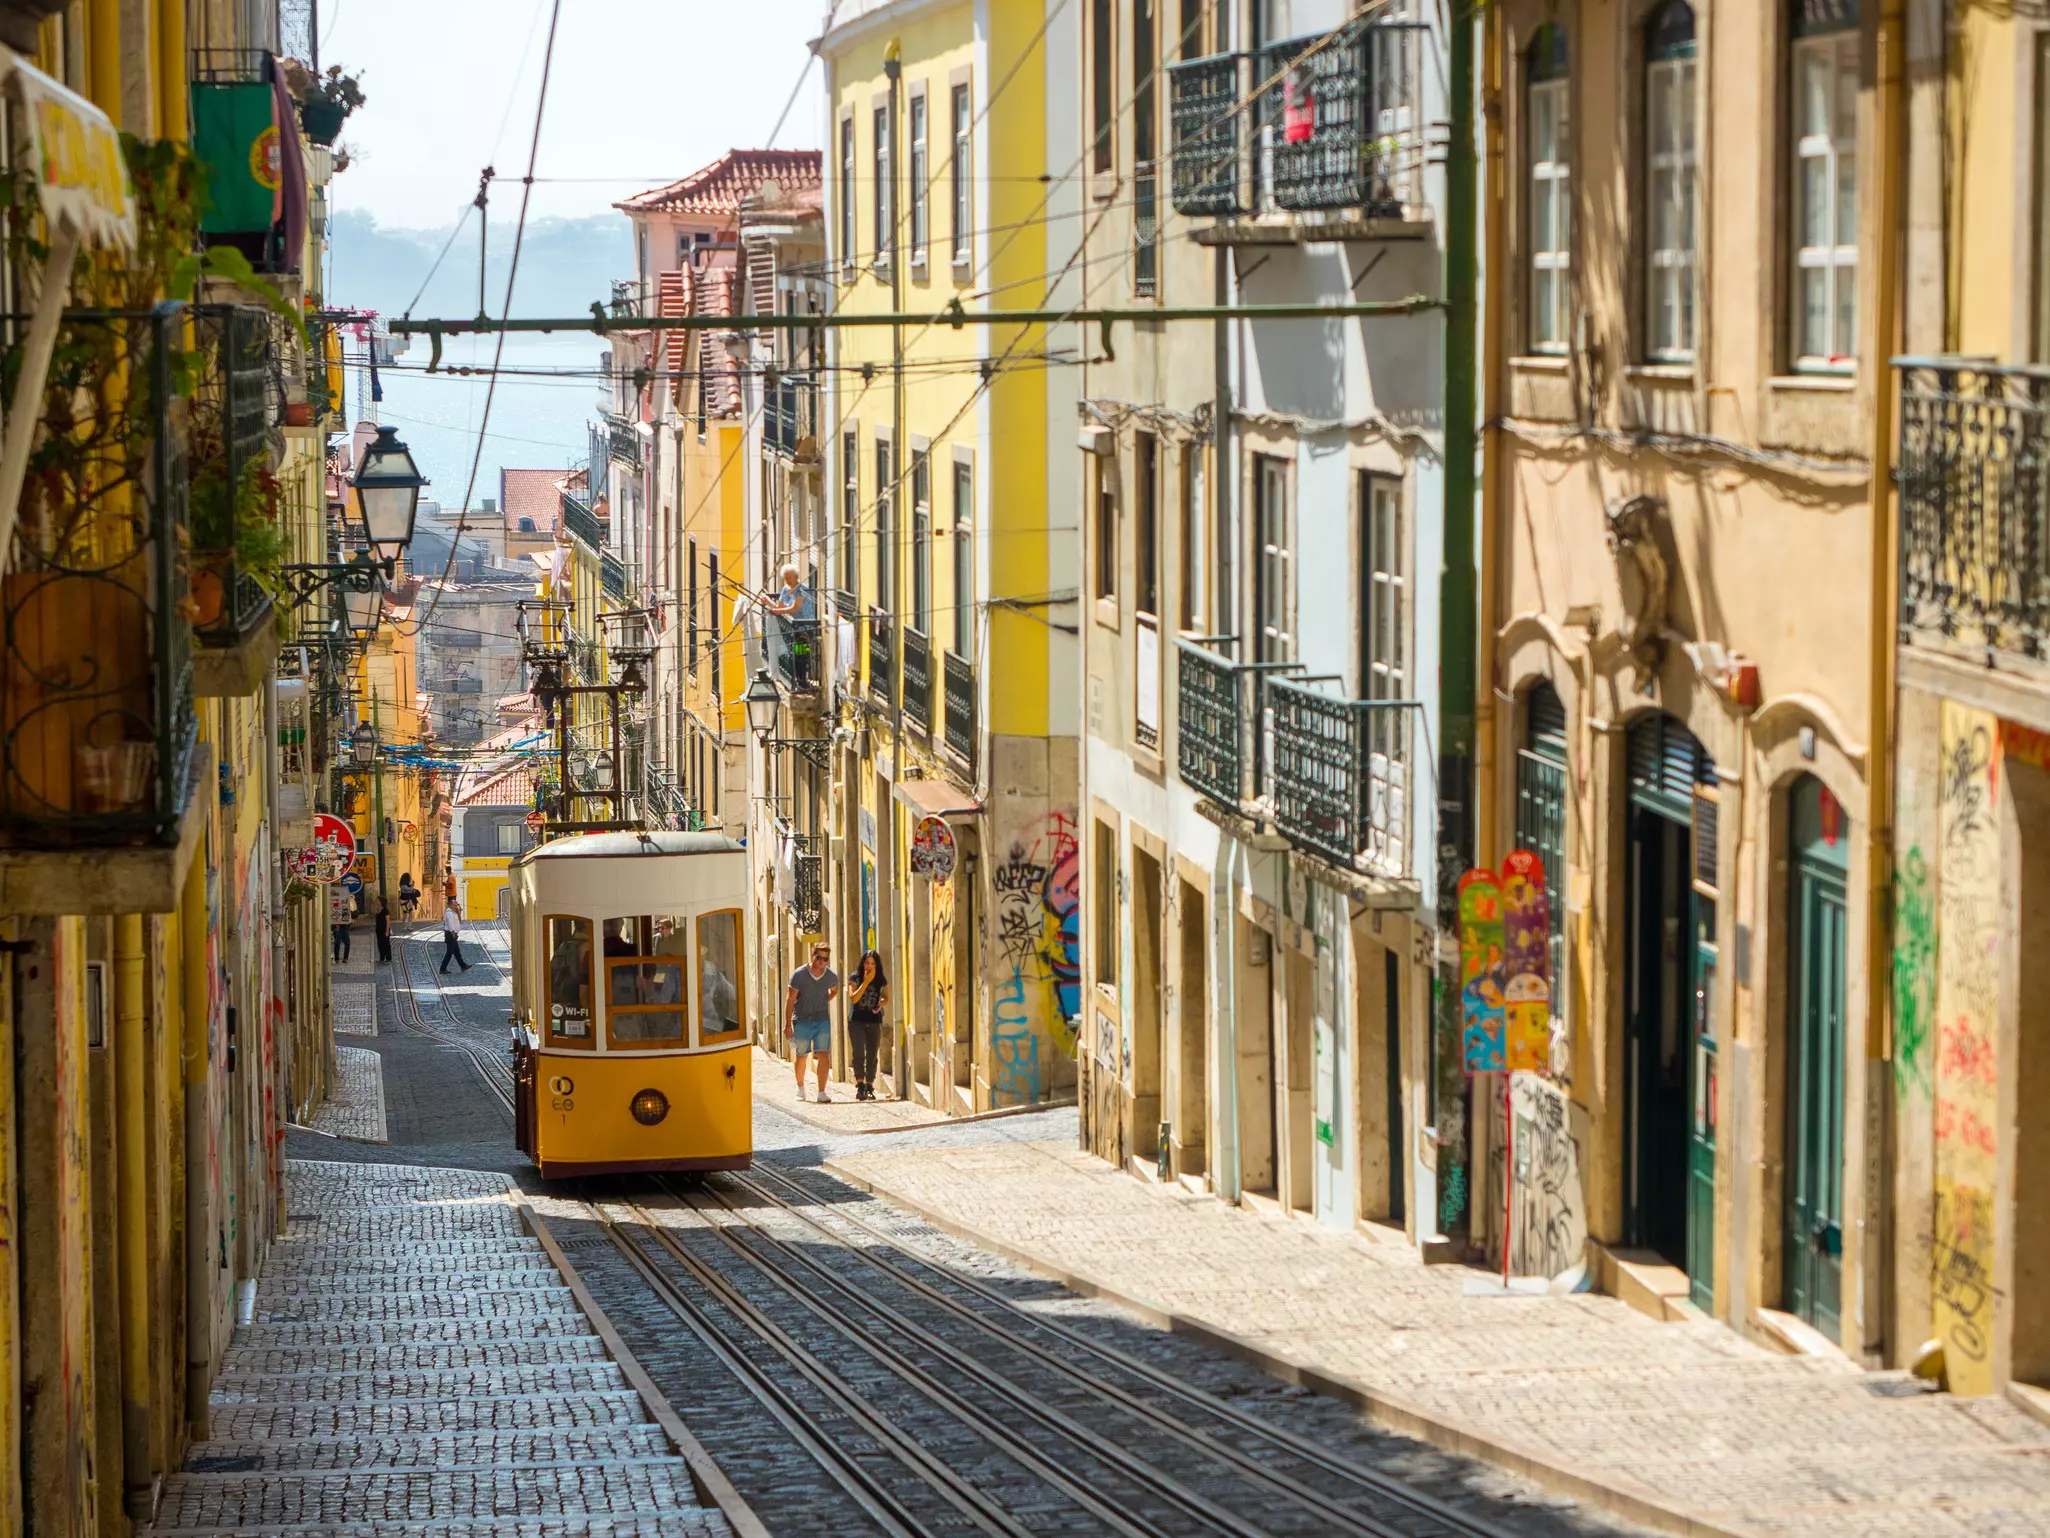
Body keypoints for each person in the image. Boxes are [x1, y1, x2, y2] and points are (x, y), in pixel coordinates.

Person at [784, 942, 839, 1102]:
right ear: (812, 955)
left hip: (822, 1020)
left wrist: (826, 999)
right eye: (818, 957)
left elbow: (835, 989)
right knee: (801, 1055)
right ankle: (800, 1088)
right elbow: (790, 999)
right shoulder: (799, 975)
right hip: (801, 1020)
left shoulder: (830, 976)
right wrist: (788, 1025)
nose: (821, 962)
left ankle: (821, 1092)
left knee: (823, 1054)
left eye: (825, 959)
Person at [760, 563, 817, 688]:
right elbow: (779, 606)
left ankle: (802, 679)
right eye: (786, 578)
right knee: (793, 653)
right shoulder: (785, 589)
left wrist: (775, 611)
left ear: (796, 577)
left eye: (790, 577)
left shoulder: (802, 590)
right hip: (792, 628)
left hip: (804, 628)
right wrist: (769, 603)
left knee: (801, 654)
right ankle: (798, 678)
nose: (788, 580)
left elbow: (794, 607)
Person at [845, 950, 888, 1101]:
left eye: (872, 964)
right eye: (867, 963)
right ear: (862, 963)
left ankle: (869, 1085)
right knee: (858, 1053)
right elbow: (854, 998)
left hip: (874, 1021)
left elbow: (886, 997)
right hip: (856, 1020)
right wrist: (866, 982)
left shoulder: (881, 979)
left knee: (872, 1054)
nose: (869, 966)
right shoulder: (854, 977)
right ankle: (860, 1085)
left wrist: (881, 1003)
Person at [440, 898, 472, 974]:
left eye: (457, 905)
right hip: (451, 934)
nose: (456, 907)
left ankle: (463, 966)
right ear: (450, 905)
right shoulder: (449, 913)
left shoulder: (453, 912)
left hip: (452, 934)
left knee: (456, 951)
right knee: (449, 952)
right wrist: (453, 934)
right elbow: (451, 924)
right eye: (455, 905)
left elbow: (459, 921)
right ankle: (442, 968)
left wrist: (458, 912)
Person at [329, 886, 352, 963]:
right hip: (339, 926)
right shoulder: (337, 902)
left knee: (345, 943)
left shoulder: (346, 903)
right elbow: (334, 911)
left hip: (344, 926)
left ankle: (343, 958)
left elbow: (349, 911)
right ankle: (337, 958)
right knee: (337, 943)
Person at [373, 899, 392, 964]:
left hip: (384, 930)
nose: (377, 902)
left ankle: (388, 959)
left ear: (382, 902)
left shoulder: (385, 911)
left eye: (378, 901)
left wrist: (387, 931)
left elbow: (388, 921)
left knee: (386, 944)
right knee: (380, 944)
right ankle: (381, 958)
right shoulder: (378, 910)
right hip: (378, 930)